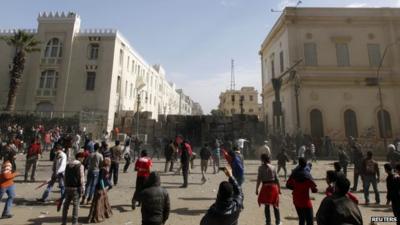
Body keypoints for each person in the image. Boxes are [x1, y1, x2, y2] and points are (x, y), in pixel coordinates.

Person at [286, 157, 318, 225]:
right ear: (306, 164)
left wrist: (296, 188)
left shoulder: (294, 173)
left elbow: (288, 185)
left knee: (301, 219)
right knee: (310, 222)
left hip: (296, 200)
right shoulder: (308, 175)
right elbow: (314, 190)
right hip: (305, 201)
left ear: (299, 163)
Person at [256, 154, 281, 225]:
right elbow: (277, 179)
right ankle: (278, 222)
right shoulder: (273, 167)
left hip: (265, 188)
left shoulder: (260, 168)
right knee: (275, 204)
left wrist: (257, 189)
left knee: (267, 205)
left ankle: (268, 222)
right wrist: (279, 189)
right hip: (273, 187)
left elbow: (259, 179)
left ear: (262, 160)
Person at [62, 152, 85, 225]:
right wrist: (83, 188)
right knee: (75, 206)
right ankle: (74, 223)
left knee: (66, 206)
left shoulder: (68, 165)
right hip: (76, 188)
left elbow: (65, 177)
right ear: (79, 158)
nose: (83, 159)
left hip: (68, 187)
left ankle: (63, 222)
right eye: (83, 158)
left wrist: (65, 186)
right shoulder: (80, 166)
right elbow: (82, 177)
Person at [87, 158, 113, 223]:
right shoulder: (102, 170)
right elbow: (101, 179)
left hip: (103, 188)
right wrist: (103, 188)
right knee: (98, 203)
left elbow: (106, 179)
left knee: (103, 202)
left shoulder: (106, 169)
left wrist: (110, 185)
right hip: (100, 188)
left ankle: (103, 214)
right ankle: (96, 217)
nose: (110, 162)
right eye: (109, 161)